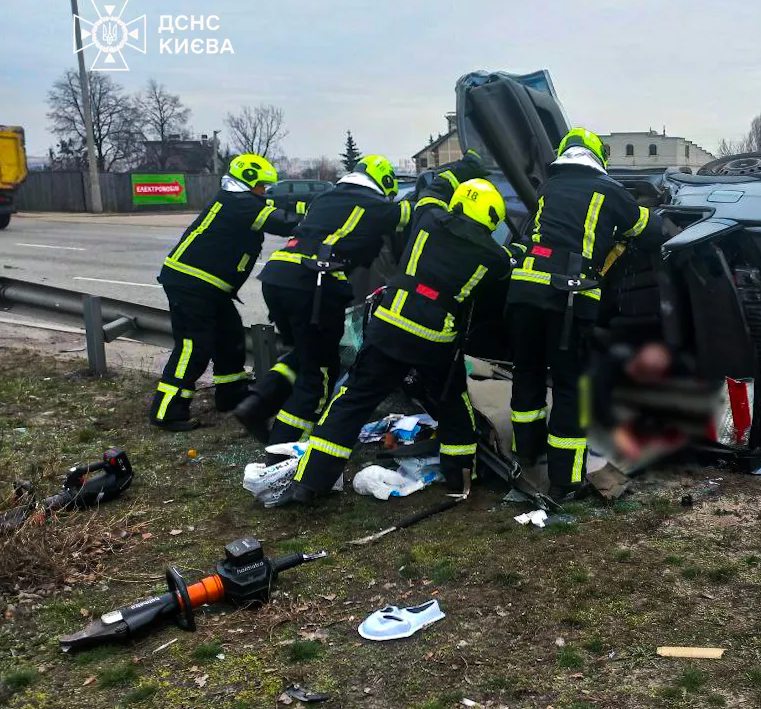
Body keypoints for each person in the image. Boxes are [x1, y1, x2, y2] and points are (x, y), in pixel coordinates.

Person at [270, 173, 513, 507]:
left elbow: (432, 191)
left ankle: (310, 482)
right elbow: (499, 282)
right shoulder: (494, 256)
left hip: (390, 326)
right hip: (436, 339)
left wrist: (456, 171)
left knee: (352, 401)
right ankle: (460, 477)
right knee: (453, 404)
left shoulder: (428, 215)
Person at [505, 127, 665, 500]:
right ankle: (564, 479)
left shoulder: (549, 187)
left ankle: (526, 452)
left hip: (523, 289)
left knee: (526, 370)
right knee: (569, 385)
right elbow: (647, 230)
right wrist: (657, 217)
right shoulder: (609, 190)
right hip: (568, 296)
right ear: (599, 158)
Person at [234, 155, 413, 446]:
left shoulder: (326, 196)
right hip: (314, 284)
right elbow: (411, 213)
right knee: (319, 372)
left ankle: (256, 405)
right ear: (385, 182)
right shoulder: (377, 205)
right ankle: (284, 447)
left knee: (304, 353)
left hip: (279, 276)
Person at [148, 153, 301, 432]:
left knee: (230, 340)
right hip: (192, 284)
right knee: (194, 347)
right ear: (249, 181)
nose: (264, 191)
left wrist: (317, 206)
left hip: (210, 288)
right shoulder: (238, 203)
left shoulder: (241, 200)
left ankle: (231, 394)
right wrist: (312, 220)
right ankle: (167, 410)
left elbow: (279, 205)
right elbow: (281, 220)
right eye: (261, 186)